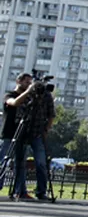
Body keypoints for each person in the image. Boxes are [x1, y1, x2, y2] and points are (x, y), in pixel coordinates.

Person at [8, 73, 56, 201]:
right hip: (23, 131)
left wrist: (46, 129)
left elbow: (51, 114)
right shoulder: (26, 94)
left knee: (41, 162)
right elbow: (17, 107)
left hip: (38, 133)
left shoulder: (47, 96)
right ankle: (19, 191)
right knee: (19, 162)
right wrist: (29, 92)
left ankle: (41, 192)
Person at [1, 74, 32, 199]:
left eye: (30, 83)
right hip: (9, 134)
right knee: (3, 162)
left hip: (22, 136)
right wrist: (28, 92)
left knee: (20, 164)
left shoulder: (29, 98)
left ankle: (21, 191)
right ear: (18, 81)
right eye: (26, 82)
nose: (28, 85)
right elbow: (14, 103)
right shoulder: (9, 95)